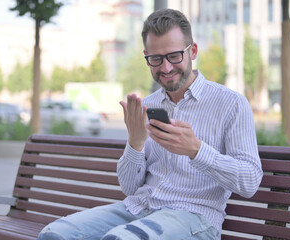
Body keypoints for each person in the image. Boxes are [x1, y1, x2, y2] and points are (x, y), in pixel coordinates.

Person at [38, 8, 263, 240]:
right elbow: (128, 189)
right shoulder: (148, 105)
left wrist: (196, 150)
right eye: (156, 59)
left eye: (174, 56)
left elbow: (250, 181)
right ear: (147, 57)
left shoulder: (232, 104)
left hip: (193, 217)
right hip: (138, 209)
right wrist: (135, 143)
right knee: (54, 234)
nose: (166, 68)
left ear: (192, 51)